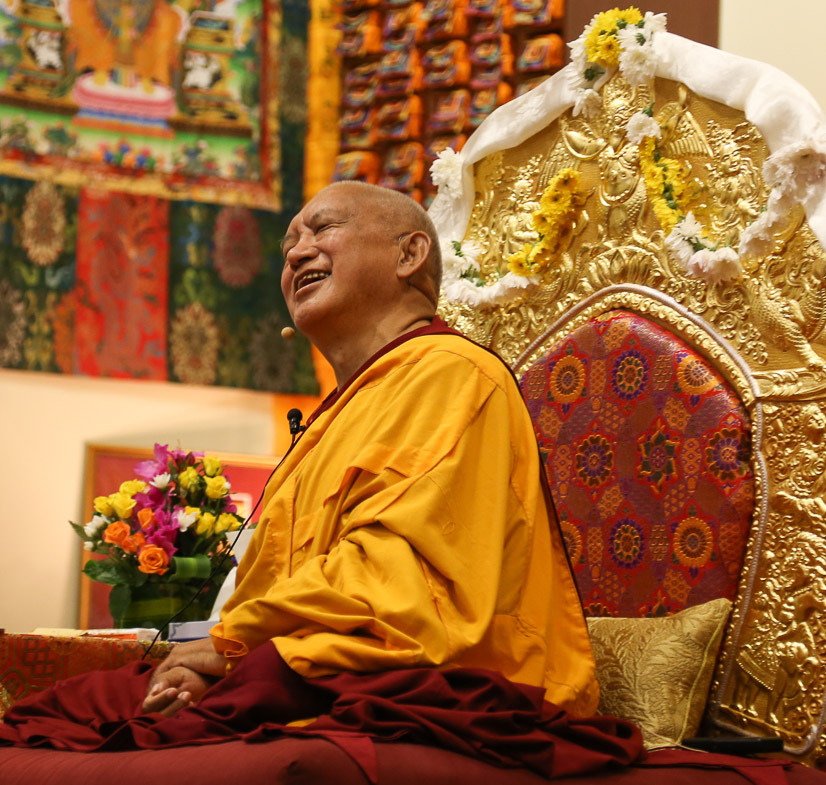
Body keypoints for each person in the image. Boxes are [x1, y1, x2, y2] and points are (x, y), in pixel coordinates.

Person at [141, 180, 599, 718]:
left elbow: (394, 587)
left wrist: (228, 649)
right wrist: (208, 673)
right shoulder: (334, 417)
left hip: (422, 692)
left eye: (324, 228)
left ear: (408, 254)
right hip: (304, 674)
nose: (295, 253)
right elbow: (267, 593)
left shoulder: (451, 376)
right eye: (289, 243)